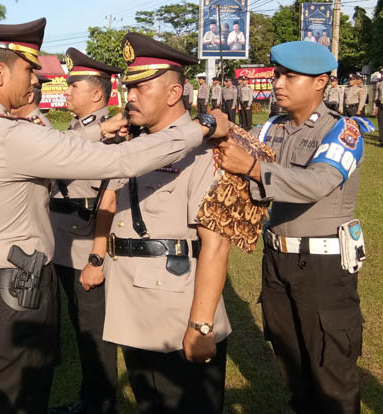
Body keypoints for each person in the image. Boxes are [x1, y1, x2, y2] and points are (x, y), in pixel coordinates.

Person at [0, 18, 229, 413]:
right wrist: (200, 126)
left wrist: (99, 130)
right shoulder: (9, 134)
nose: (34, 79)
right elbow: (118, 160)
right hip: (15, 296)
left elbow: (51, 147)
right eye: (28, 69)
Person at [216, 40, 371, 414]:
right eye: (277, 75)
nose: (278, 83)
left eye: (289, 76)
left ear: (320, 83)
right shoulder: (272, 127)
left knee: (330, 370)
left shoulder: (343, 130)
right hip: (277, 260)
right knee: (292, 362)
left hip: (323, 267)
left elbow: (318, 183)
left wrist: (252, 168)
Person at [101, 32, 232, 414]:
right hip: (133, 307)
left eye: (141, 88)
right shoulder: (133, 148)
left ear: (174, 93)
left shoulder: (203, 154)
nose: (130, 96)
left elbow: (216, 244)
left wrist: (202, 325)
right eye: (129, 87)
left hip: (177, 317)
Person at [48, 47, 122, 414]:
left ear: (96, 93)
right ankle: (90, 399)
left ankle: (102, 404)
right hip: (62, 241)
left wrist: (98, 255)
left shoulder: (113, 134)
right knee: (81, 329)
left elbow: (113, 196)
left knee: (96, 333)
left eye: (73, 86)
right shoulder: (78, 130)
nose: (66, 92)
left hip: (87, 243)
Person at [374, 74, 383, 146]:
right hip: (380, 104)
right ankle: (382, 140)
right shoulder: (379, 84)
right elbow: (376, 96)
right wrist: (375, 107)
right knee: (381, 123)